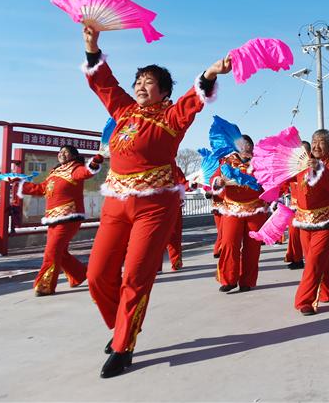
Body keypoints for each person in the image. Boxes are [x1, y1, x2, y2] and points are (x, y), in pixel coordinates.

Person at [81, 25, 230, 378]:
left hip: (155, 205)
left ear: (163, 92)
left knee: (136, 274)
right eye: (139, 81)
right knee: (97, 275)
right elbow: (104, 84)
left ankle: (124, 345)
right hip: (116, 203)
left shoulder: (170, 117)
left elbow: (193, 101)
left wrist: (209, 73)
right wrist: (91, 44)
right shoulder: (123, 112)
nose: (140, 86)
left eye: (149, 82)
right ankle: (123, 325)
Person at [14, 145, 102, 296]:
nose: (61, 154)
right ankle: (79, 274)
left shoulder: (75, 168)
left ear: (73, 155)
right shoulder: (54, 172)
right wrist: (19, 184)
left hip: (69, 217)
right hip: (53, 218)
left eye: (65, 152)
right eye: (60, 152)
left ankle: (44, 286)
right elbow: (42, 188)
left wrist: (95, 162)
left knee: (52, 251)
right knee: (59, 252)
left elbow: (86, 172)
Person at [290, 129, 329, 315]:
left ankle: (304, 300)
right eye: (314, 141)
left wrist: (319, 169)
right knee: (315, 258)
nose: (316, 146)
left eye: (321, 142)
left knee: (314, 259)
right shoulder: (302, 164)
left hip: (328, 219)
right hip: (305, 219)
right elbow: (289, 182)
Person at [210, 135, 267, 293]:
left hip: (255, 209)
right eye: (242, 145)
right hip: (232, 209)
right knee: (229, 243)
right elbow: (214, 178)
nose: (246, 148)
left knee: (252, 247)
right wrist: (218, 182)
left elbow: (268, 182)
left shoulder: (260, 163)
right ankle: (229, 279)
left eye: (248, 145)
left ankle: (247, 281)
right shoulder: (227, 161)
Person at [284, 141, 310, 269]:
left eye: (304, 151)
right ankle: (297, 259)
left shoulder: (313, 168)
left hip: (310, 209)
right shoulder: (292, 169)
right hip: (294, 206)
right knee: (293, 233)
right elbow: (283, 183)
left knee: (307, 237)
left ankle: (311, 260)